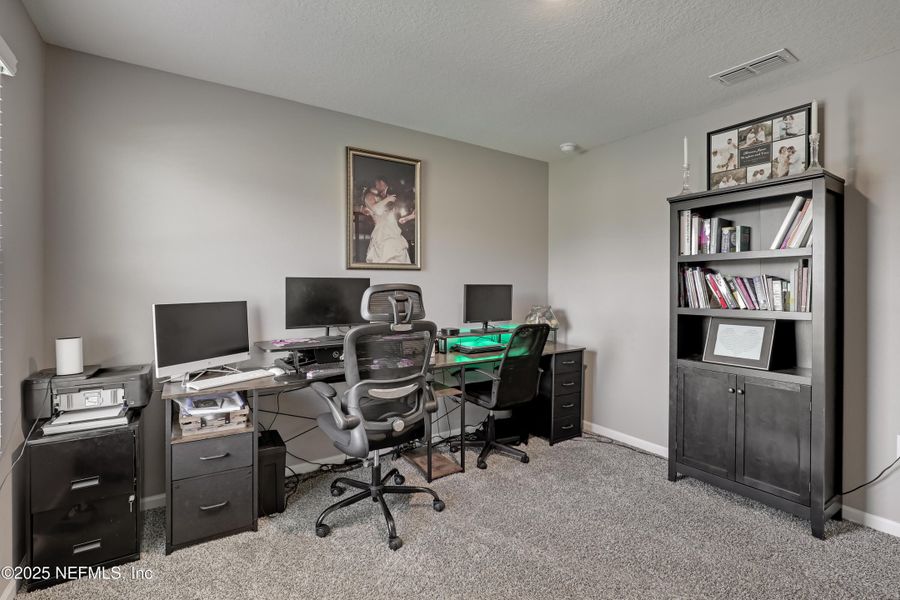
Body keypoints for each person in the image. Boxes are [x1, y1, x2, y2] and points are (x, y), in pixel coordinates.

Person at [363, 178, 411, 264]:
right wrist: (387, 199)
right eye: (380, 184)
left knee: (398, 254)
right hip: (383, 232)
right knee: (385, 255)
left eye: (384, 184)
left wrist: (410, 216)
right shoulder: (370, 196)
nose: (383, 186)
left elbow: (397, 217)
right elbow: (376, 209)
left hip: (393, 231)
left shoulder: (386, 197)